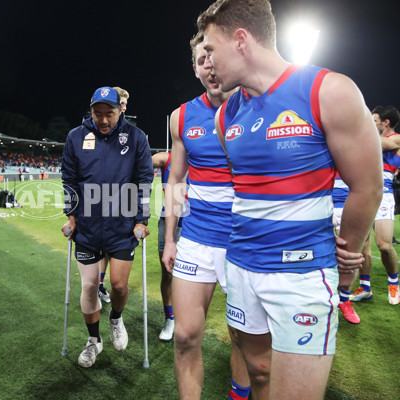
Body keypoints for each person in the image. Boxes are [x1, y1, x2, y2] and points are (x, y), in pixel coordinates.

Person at [197, 1, 383, 399]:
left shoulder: (328, 90)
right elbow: (247, 191)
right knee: (258, 372)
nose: (207, 63)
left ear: (241, 40)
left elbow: (368, 186)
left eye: (211, 50)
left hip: (302, 276)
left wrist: (348, 256)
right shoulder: (226, 114)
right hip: (242, 267)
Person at [162, 32, 249, 400]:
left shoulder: (257, 106)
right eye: (201, 61)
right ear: (195, 68)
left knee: (244, 339)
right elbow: (176, 180)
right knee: (185, 336)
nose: (209, 67)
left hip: (245, 243)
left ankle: (239, 394)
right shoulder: (181, 116)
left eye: (214, 57)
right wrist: (170, 238)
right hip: (196, 239)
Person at [61, 86, 153, 368]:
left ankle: (115, 317)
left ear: (119, 110)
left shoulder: (136, 138)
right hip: (87, 227)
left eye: (108, 114)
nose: (102, 120)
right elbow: (69, 178)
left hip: (122, 226)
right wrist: (71, 216)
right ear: (90, 110)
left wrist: (141, 220)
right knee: (89, 286)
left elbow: (144, 181)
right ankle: (93, 340)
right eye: (97, 113)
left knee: (118, 285)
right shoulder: (76, 137)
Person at [350, 105, 400, 305]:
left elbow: (379, 144)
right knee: (362, 247)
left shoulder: (396, 139)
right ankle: (365, 287)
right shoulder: (369, 139)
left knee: (385, 245)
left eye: (374, 120)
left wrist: (357, 128)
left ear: (385, 123)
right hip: (363, 192)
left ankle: (394, 283)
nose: (371, 124)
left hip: (384, 192)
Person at [96, 86, 132, 305]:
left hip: (122, 207)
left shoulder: (130, 133)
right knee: (102, 253)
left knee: (112, 255)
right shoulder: (96, 130)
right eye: (121, 102)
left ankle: (104, 291)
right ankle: (99, 286)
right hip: (98, 203)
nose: (124, 107)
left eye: (126, 104)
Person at [152, 151, 183, 342]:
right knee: (168, 273)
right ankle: (169, 319)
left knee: (193, 276)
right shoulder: (167, 157)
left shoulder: (205, 154)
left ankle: (186, 317)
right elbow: (141, 161)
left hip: (195, 223)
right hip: (168, 222)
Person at [332, 174, 361, 323]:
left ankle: (344, 300)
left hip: (351, 205)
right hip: (324, 203)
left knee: (352, 253)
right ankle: (330, 299)